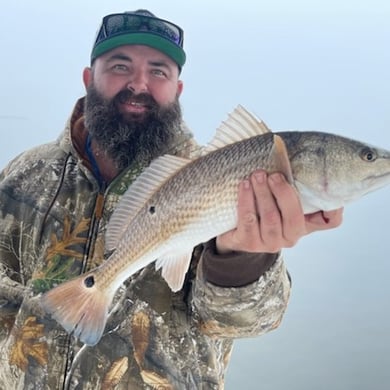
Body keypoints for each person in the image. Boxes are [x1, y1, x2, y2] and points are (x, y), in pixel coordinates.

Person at [0, 9, 343, 390]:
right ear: (88, 79)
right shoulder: (25, 173)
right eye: (119, 66)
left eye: (159, 71)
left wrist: (243, 260)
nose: (139, 84)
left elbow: (247, 321)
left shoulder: (223, 178)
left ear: (178, 89)